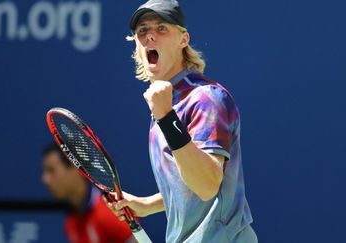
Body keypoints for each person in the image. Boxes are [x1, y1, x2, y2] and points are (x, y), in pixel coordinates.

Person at [108, 0, 258, 242]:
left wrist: (167, 119)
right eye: (142, 31)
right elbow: (191, 185)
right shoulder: (167, 104)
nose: (150, 37)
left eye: (161, 28)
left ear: (183, 39)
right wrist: (147, 204)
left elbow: (207, 185)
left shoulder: (206, 98)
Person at [42, 142, 135, 243]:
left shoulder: (110, 214)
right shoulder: (70, 223)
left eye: (51, 170)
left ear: (75, 167)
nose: (45, 179)